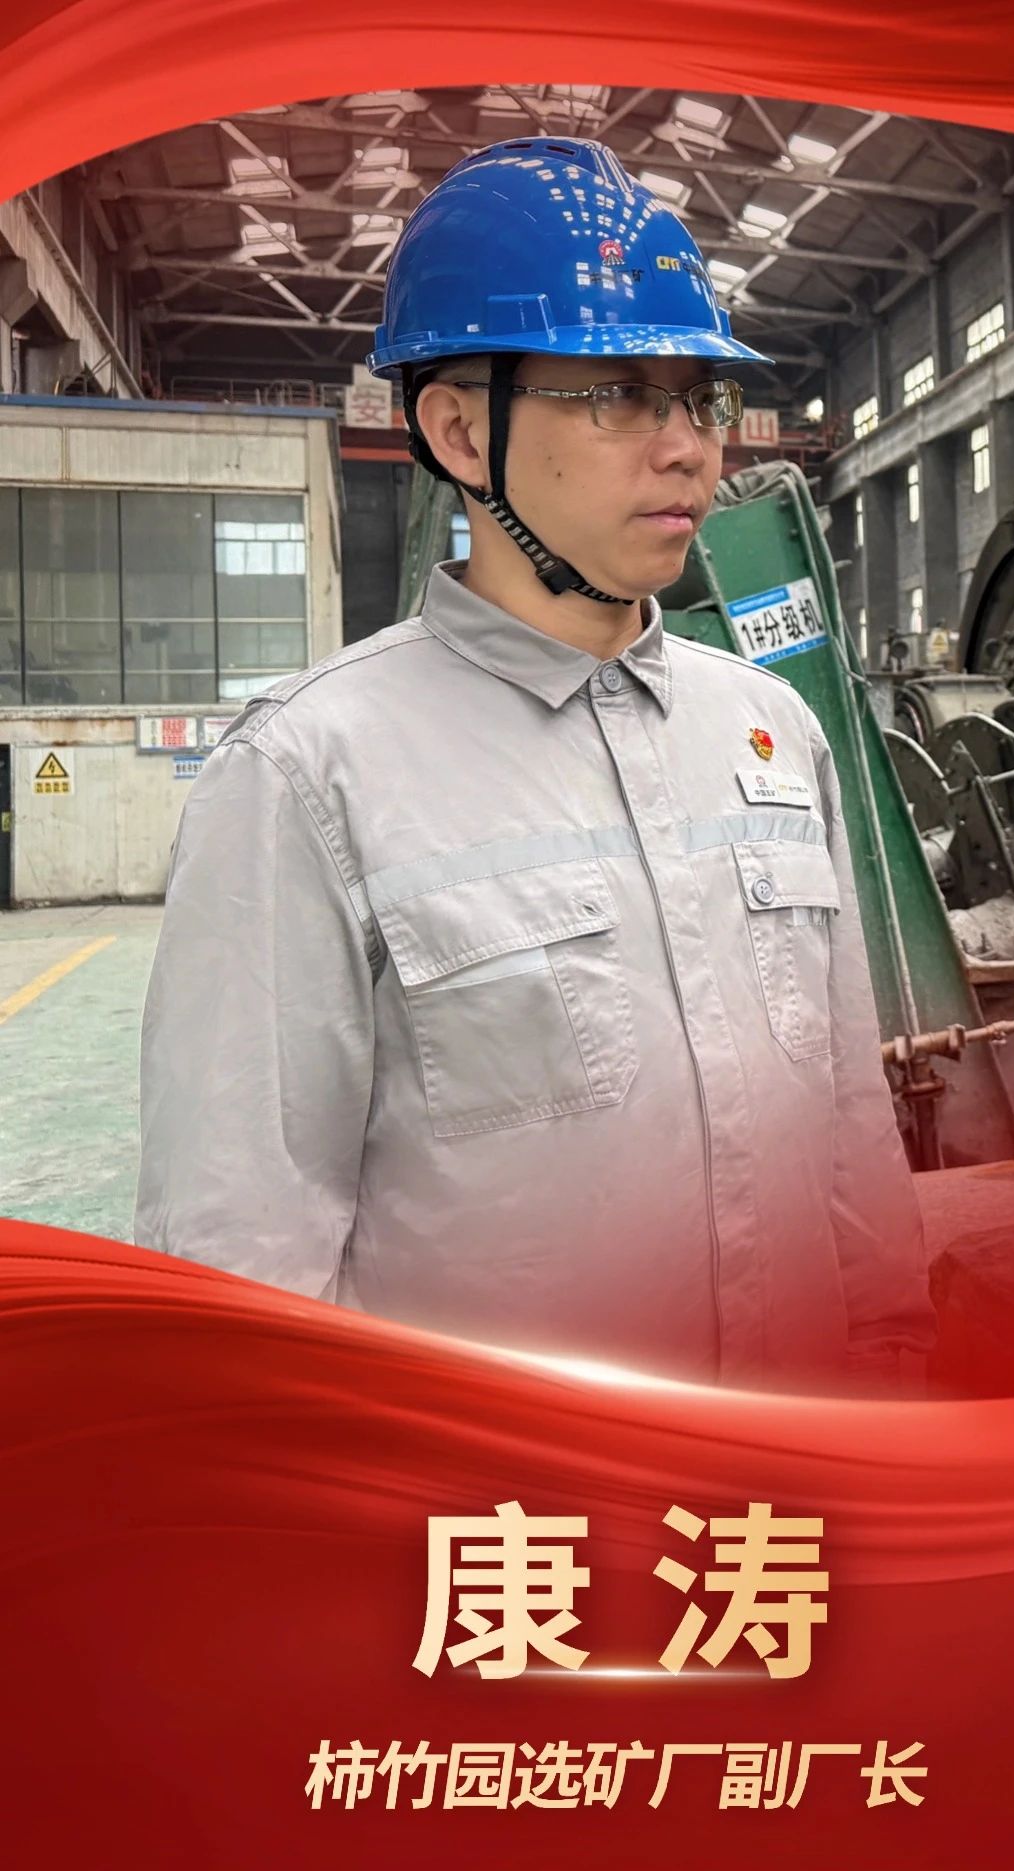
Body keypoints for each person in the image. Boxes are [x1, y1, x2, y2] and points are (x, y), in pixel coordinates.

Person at [135, 136, 934, 1390]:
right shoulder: (307, 776)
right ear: (462, 431)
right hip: (506, 1503)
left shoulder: (772, 730)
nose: (689, 449)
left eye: (701, 400)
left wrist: (889, 1362)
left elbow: (844, 1129)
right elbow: (240, 1250)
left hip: (784, 1474)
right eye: (619, 394)